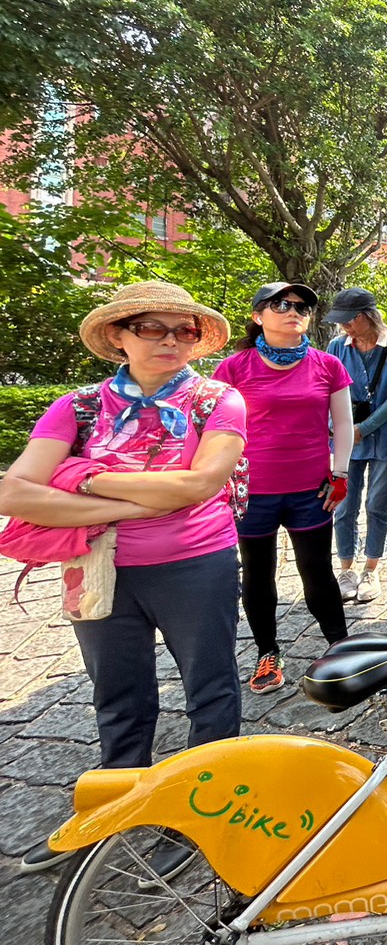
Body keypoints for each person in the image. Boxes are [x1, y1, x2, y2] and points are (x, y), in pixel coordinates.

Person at [0, 281, 246, 874]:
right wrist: (141, 502)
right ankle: (114, 808)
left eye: (183, 330)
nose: (170, 340)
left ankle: (201, 812)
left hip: (196, 562)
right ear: (119, 336)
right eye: (151, 328)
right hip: (98, 565)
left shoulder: (217, 399)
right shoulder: (79, 406)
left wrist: (81, 478)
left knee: (209, 689)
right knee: (118, 694)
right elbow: (14, 493)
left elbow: (199, 485)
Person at [214, 283, 353, 695]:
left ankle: (341, 646)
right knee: (258, 574)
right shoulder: (234, 368)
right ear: (258, 316)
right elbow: (215, 429)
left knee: (318, 571)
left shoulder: (328, 365)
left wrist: (340, 475)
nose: (293, 311)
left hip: (311, 490)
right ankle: (267, 652)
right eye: (280, 304)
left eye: (301, 306)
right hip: (253, 493)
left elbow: (343, 424)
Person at [323, 287, 387, 605]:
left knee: (378, 503)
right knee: (344, 504)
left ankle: (371, 568)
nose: (344, 327)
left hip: (386, 437)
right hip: (347, 439)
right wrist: (342, 429)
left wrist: (364, 427)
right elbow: (326, 391)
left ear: (364, 317)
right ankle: (346, 568)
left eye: (348, 320)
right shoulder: (337, 347)